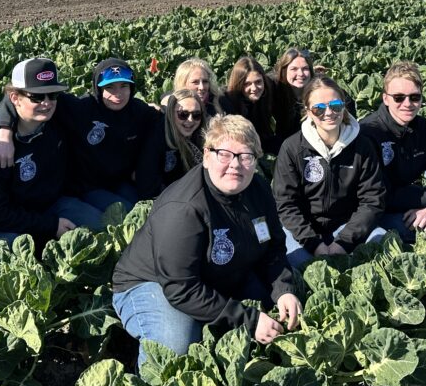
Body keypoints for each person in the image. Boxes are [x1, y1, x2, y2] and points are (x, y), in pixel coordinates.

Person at [112, 115, 302, 368]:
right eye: (224, 154)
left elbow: (274, 248)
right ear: (206, 155)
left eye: (246, 156)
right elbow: (181, 288)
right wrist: (249, 320)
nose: (235, 165)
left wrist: (283, 290)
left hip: (220, 275)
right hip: (153, 283)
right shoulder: (184, 208)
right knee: (177, 346)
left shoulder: (257, 188)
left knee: (283, 312)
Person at [0, 58, 107, 249]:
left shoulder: (55, 117)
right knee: (15, 254)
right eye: (37, 97)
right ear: (15, 98)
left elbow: (105, 105)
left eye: (52, 95)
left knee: (100, 227)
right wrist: (49, 226)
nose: (47, 103)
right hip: (0, 224)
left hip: (49, 205)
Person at [0, 57, 161, 212]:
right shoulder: (80, 108)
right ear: (97, 88)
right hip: (87, 188)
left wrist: (166, 102)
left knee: (148, 209)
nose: (118, 94)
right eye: (109, 87)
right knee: (126, 213)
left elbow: (172, 115)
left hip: (120, 182)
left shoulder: (140, 111)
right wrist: (5, 131)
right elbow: (19, 94)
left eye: (124, 86)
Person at [273, 76, 387, 269]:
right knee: (300, 266)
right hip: (303, 231)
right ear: (308, 112)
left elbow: (372, 200)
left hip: (347, 226)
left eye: (335, 105)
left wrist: (344, 242)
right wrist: (313, 243)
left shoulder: (363, 146)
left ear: (343, 107)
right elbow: (286, 204)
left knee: (382, 244)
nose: (328, 113)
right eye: (319, 108)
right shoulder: (292, 148)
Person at [358, 61, 426, 242]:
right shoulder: (369, 133)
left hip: (409, 197)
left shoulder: (422, 127)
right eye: (398, 97)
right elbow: (379, 194)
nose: (407, 104)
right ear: (385, 98)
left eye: (414, 97)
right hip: (374, 209)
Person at [218, 56, 277, 155]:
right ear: (238, 84)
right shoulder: (226, 104)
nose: (254, 88)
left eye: (258, 82)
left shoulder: (265, 96)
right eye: (247, 84)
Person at [270, 47, 315, 149]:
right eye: (294, 69)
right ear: (284, 71)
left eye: (305, 69)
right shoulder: (274, 90)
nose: (300, 74)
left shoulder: (318, 91)